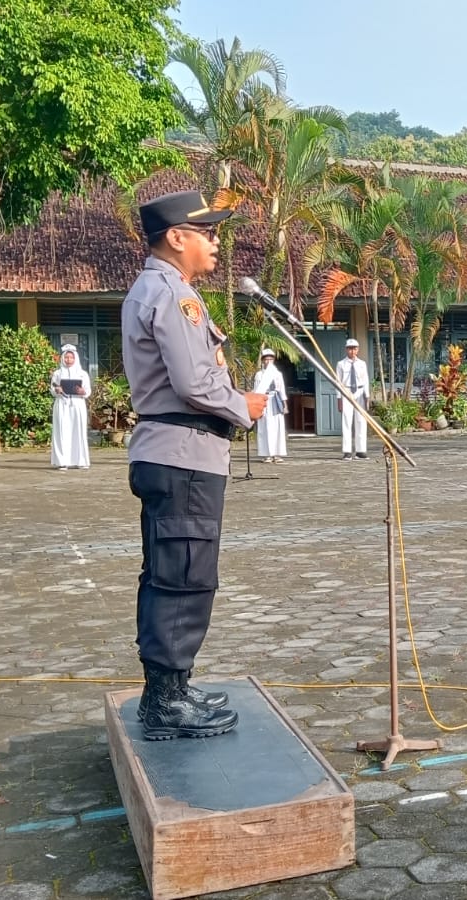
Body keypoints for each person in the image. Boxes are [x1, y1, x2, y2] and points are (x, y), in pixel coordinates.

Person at [124, 188, 259, 739]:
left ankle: (173, 686)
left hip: (177, 452)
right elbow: (194, 382)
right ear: (177, 238)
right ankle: (165, 702)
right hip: (183, 455)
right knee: (183, 574)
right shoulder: (173, 295)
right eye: (208, 232)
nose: (216, 241)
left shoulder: (162, 289)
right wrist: (243, 406)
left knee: (174, 571)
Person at [50, 344, 91, 470]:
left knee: (78, 431)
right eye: (66, 357)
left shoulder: (82, 374)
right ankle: (62, 461)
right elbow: (52, 390)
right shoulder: (57, 374)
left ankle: (81, 460)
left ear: (75, 358)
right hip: (62, 404)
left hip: (78, 405)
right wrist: (57, 390)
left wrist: (83, 392)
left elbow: (88, 390)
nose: (69, 360)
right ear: (63, 358)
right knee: (62, 431)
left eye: (71, 357)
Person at [336, 337, 371, 460]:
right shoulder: (341, 364)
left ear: (358, 350)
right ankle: (347, 451)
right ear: (346, 350)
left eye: (354, 348)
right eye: (350, 348)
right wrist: (339, 399)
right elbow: (338, 382)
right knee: (347, 421)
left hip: (360, 392)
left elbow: (366, 380)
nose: (352, 351)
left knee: (361, 421)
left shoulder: (362, 364)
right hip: (347, 391)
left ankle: (361, 450)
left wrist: (367, 396)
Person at [253, 348, 289, 463]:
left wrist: (285, 405)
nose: (268, 361)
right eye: (266, 359)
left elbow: (282, 390)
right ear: (263, 361)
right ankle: (266, 454)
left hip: (275, 401)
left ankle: (277, 454)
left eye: (271, 359)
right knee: (265, 427)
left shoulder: (277, 374)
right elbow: (256, 390)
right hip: (264, 400)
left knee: (277, 427)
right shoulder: (259, 375)